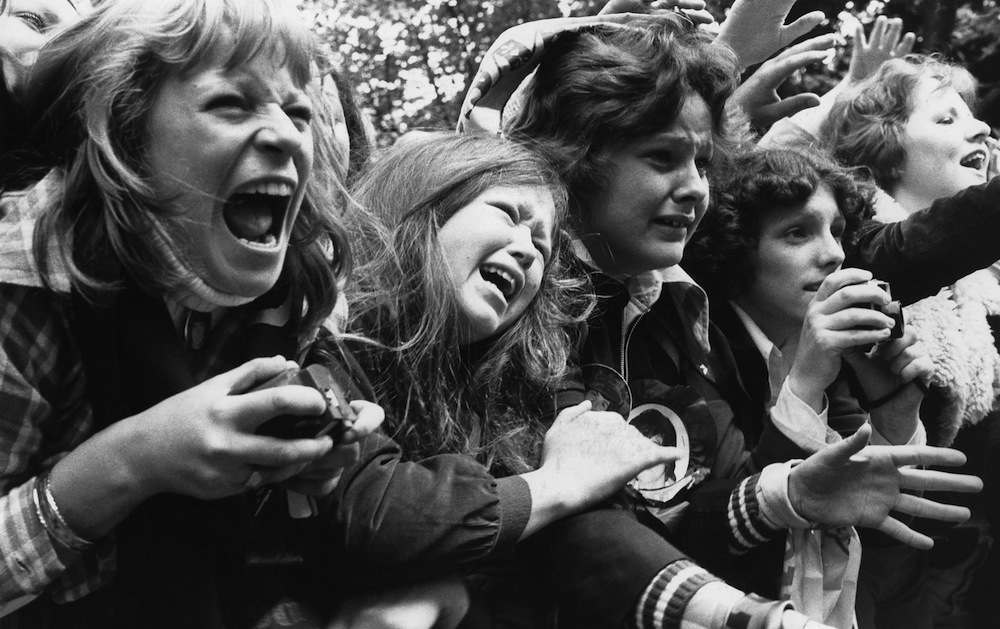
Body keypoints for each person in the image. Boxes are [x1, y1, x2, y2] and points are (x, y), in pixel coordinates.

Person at [460, 13, 981, 629]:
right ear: (573, 159)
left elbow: (708, 510)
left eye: (703, 164)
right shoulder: (519, 313)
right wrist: (747, 613)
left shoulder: (678, 315)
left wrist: (800, 485)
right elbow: (584, 529)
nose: (693, 188)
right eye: (663, 158)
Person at [685, 147, 943, 629]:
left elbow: (886, 542)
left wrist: (894, 412)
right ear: (735, 248)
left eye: (837, 231)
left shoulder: (842, 364)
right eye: (797, 232)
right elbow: (710, 533)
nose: (833, 253)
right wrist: (804, 381)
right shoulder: (700, 352)